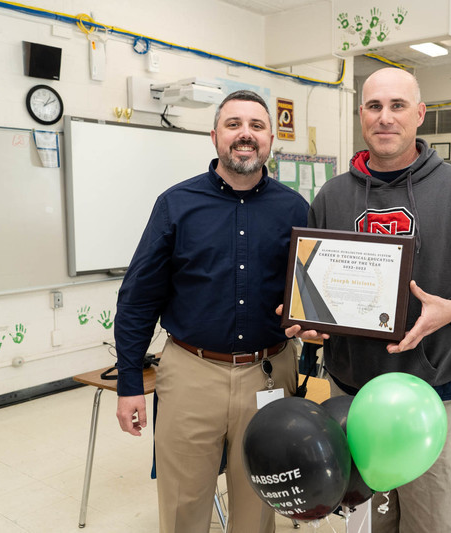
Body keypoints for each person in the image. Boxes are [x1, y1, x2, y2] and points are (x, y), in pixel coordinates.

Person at [287, 67, 451, 533]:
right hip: (352, 401)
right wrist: (312, 324)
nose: (385, 117)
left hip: (434, 402)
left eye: (397, 106)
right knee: (370, 524)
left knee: (432, 526)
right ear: (361, 114)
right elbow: (313, 289)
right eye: (374, 106)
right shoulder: (332, 196)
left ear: (420, 114)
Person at [114, 90, 309, 533]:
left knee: (260, 503)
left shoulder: (294, 209)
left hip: (270, 372)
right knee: (184, 504)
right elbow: (138, 299)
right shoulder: (176, 204)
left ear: (270, 138)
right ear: (214, 135)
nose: (245, 135)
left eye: (256, 126)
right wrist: (129, 384)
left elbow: (308, 293)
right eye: (234, 124)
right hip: (190, 374)